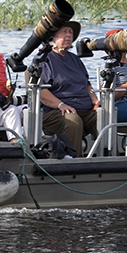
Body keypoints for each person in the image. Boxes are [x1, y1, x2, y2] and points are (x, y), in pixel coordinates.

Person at [38, 21, 98, 156]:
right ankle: (74, 163)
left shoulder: (75, 59)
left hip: (85, 109)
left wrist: (95, 100)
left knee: (105, 117)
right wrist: (60, 104)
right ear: (53, 36)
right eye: (64, 32)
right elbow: (41, 91)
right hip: (55, 111)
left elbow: (87, 85)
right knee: (73, 121)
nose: (68, 35)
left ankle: (111, 161)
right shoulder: (44, 59)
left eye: (70, 32)